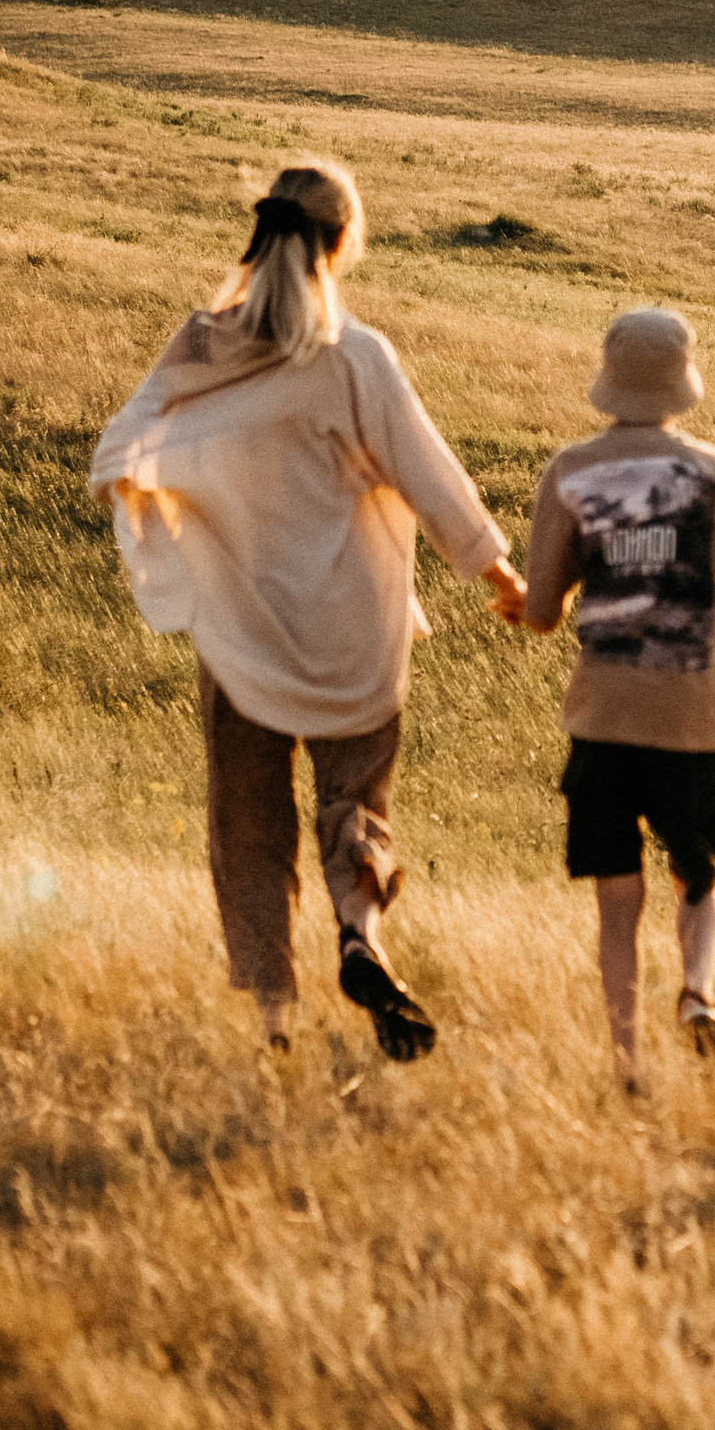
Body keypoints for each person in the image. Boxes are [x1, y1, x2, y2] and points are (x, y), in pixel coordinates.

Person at [90, 157, 525, 1058]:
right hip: (355, 631)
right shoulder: (357, 357)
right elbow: (432, 481)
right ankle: (361, 937)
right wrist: (501, 579)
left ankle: (274, 1021)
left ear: (262, 232)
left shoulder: (204, 344)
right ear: (342, 243)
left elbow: (115, 457)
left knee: (246, 820)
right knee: (354, 802)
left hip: (238, 631)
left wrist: (195, 500)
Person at [521, 304, 715, 1094]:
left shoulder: (571, 472)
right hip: (693, 711)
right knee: (700, 876)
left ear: (609, 379)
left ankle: (627, 1065)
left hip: (603, 711)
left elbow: (543, 613)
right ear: (683, 383)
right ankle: (696, 995)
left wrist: (542, 595)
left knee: (618, 897)